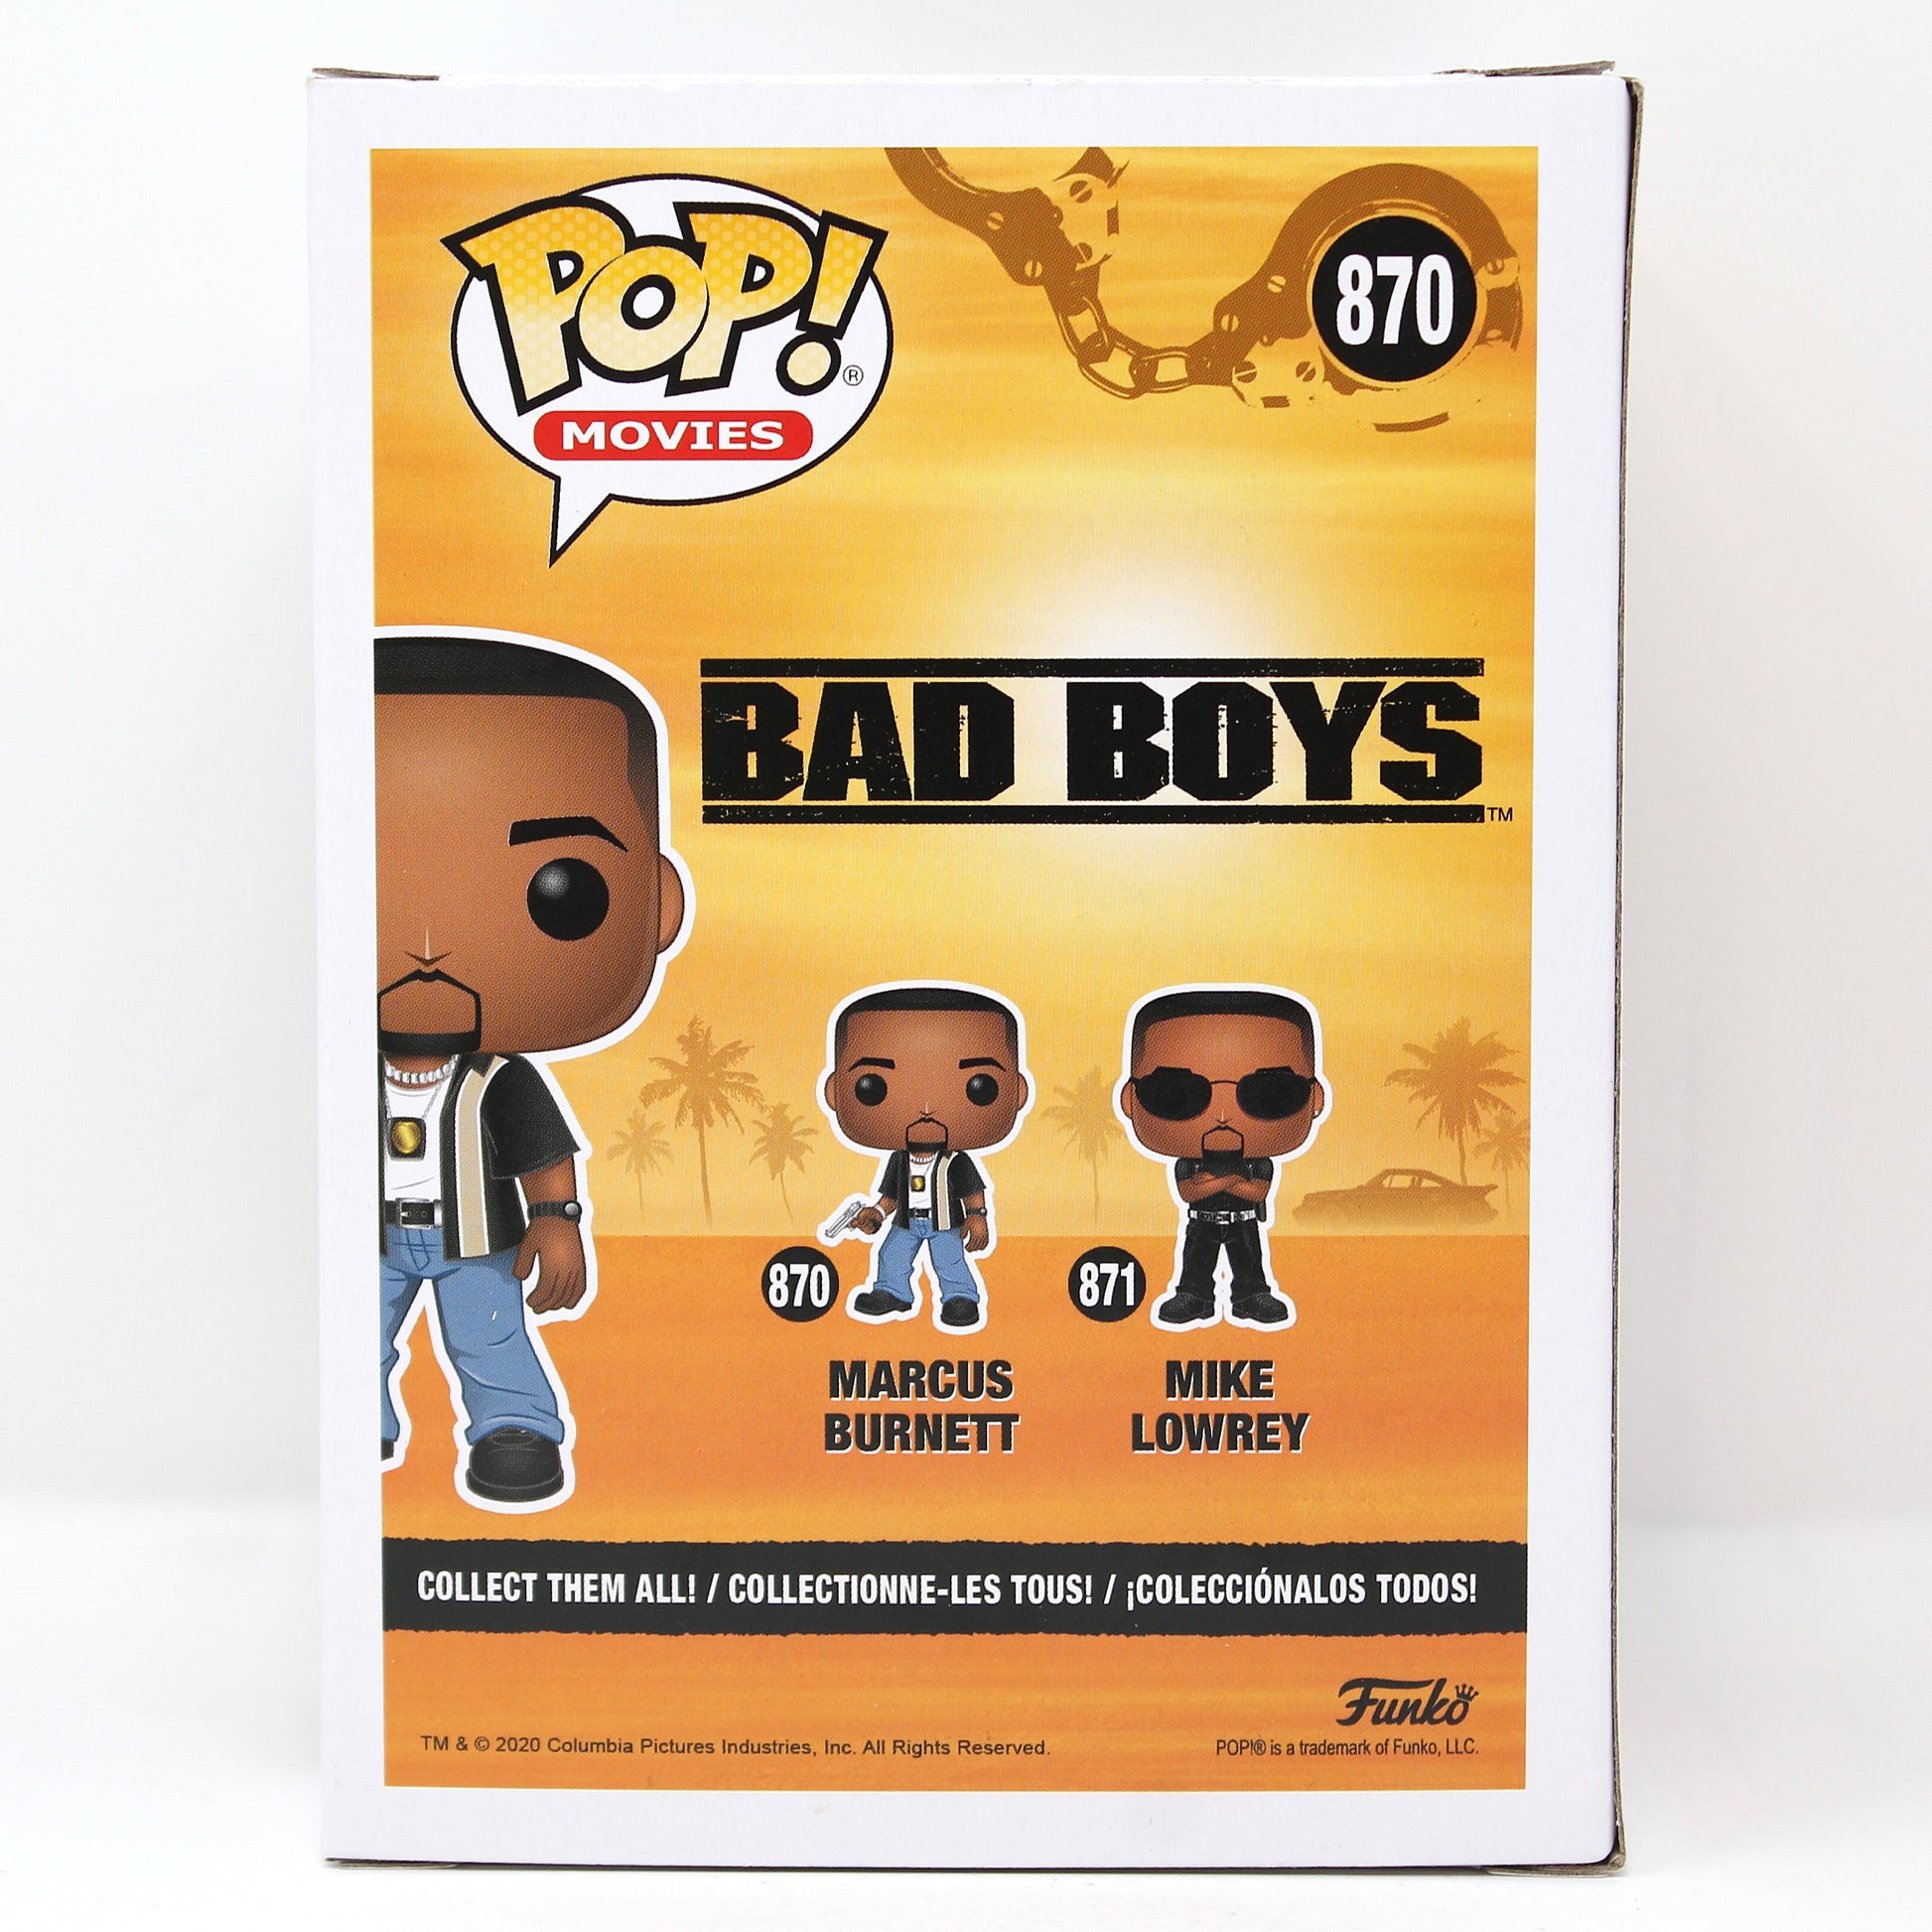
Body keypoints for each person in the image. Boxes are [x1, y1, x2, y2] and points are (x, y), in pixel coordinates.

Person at [375, 633, 687, 1506]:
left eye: (561, 887)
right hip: (365, 1239)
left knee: (490, 1335)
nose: (427, 947)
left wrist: (556, 1220)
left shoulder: (497, 1081)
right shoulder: (333, 1073)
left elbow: (545, 1155)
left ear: (658, 907)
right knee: (348, 1332)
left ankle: (515, 1426)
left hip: (481, 1242)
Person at [820, 986, 1031, 1332]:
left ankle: (960, 1297)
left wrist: (978, 1217)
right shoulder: (900, 1160)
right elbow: (891, 1194)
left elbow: (972, 1191)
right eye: (872, 1086)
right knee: (891, 1254)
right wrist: (877, 1212)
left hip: (945, 1223)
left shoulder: (956, 1161)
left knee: (949, 1260)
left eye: (979, 1085)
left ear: (1017, 1093)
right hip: (906, 1222)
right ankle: (892, 1291)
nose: (927, 1107)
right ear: (835, 1093)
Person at [1118, 986, 1327, 1331]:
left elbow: (1258, 1192)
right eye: (1176, 1094)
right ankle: (1195, 1297)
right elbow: (1189, 1192)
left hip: (1244, 1222)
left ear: (1315, 1099)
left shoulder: (1257, 1159)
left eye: (1270, 1094)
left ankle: (1250, 1297)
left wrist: (1217, 1182)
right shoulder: (1191, 1160)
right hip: (1201, 1221)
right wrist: (1234, 1182)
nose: (1223, 1115)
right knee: (1195, 1263)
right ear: (1130, 1099)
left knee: (1250, 1263)